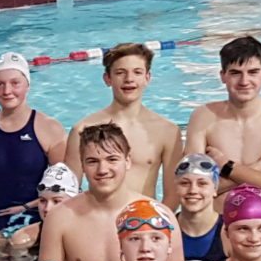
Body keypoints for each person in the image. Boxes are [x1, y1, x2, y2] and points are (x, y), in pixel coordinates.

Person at [184, 36, 261, 204]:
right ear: (223, 76)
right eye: (235, 73)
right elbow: (192, 191)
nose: (244, 81)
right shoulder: (204, 116)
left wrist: (227, 167)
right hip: (215, 224)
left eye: (253, 72)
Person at [0, 51, 66, 232]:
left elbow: (65, 187)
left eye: (15, 83)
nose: (7, 91)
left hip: (38, 214)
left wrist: (25, 207)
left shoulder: (49, 127)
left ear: (27, 85)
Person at [67, 43, 182, 199]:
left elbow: (173, 195)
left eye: (137, 72)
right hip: (99, 219)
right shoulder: (83, 129)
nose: (129, 79)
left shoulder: (167, 131)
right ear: (107, 79)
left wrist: (158, 222)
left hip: (146, 220)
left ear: (147, 78)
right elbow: (68, 191)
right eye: (120, 73)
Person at [40, 124, 142, 261]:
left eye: (112, 159)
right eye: (93, 161)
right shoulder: (60, 218)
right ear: (82, 165)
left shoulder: (155, 216)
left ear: (128, 161)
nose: (102, 170)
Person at [9, 161, 78, 259]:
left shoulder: (88, 235)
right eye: (42, 201)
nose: (47, 208)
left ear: (74, 203)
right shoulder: (23, 239)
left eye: (56, 201)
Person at [171, 153, 225, 261]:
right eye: (185, 183)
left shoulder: (228, 232)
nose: (193, 190)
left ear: (215, 189)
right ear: (176, 188)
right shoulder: (166, 231)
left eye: (202, 183)